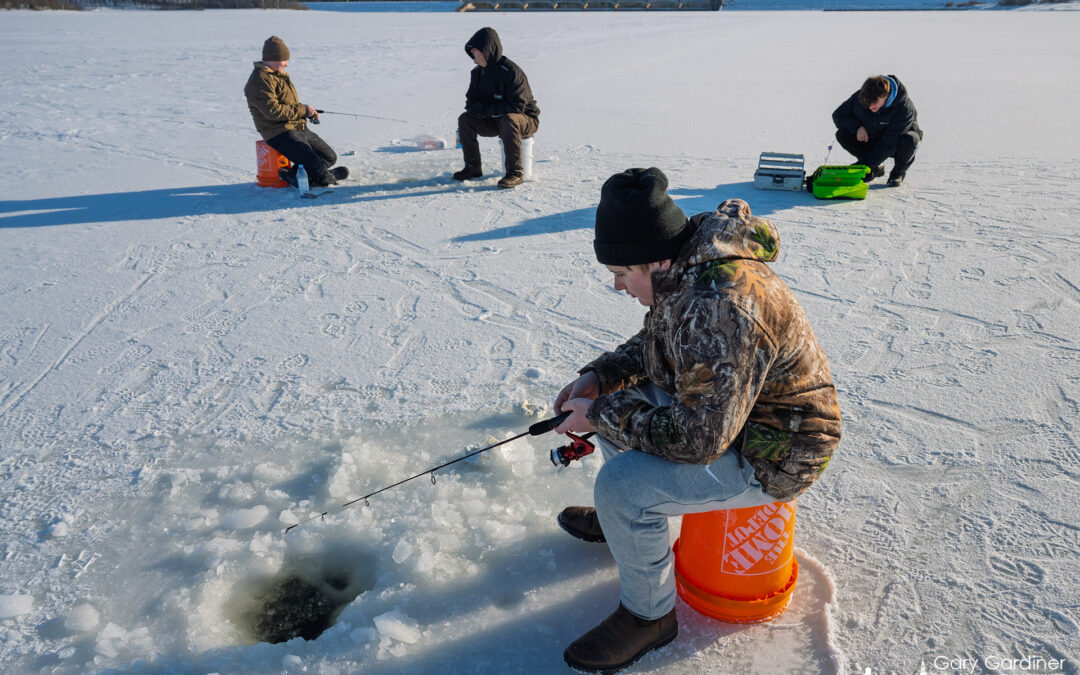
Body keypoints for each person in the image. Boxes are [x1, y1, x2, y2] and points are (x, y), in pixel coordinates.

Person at [552, 168, 842, 673]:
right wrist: (603, 376)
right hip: (737, 417)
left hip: (779, 451)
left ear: (655, 258)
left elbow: (695, 442)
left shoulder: (720, 304)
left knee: (623, 487)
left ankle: (650, 617)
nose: (619, 286)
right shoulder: (687, 267)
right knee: (630, 398)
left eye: (622, 273)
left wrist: (600, 414)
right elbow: (661, 344)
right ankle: (632, 528)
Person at [244, 36, 347, 188]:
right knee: (323, 177)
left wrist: (308, 111)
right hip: (279, 132)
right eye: (284, 60)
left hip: (298, 127)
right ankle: (319, 176)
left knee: (329, 157)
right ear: (274, 58)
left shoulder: (279, 75)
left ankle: (299, 174)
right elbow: (272, 112)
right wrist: (303, 110)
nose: (286, 64)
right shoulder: (259, 80)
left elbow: (289, 104)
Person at [453, 27, 540, 190]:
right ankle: (472, 167)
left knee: (509, 119)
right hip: (496, 120)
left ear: (487, 51)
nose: (473, 56)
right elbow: (470, 102)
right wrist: (480, 110)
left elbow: (517, 106)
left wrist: (485, 109)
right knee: (465, 119)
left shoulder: (511, 71)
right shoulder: (477, 73)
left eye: (476, 52)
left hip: (525, 120)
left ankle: (515, 172)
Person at [832, 74, 922, 187]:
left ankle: (898, 173)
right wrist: (857, 127)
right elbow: (838, 115)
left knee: (911, 141)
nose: (870, 106)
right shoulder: (863, 96)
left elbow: (889, 144)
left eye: (874, 102)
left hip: (896, 143)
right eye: (867, 102)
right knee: (843, 134)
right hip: (873, 136)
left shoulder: (904, 108)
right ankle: (876, 167)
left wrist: (862, 166)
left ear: (886, 95)